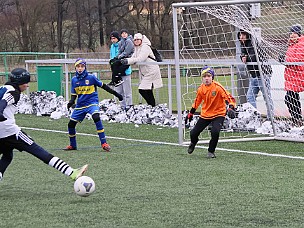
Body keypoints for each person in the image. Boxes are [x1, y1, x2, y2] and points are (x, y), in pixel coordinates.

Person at [0, 68, 88, 182]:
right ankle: (71, 172)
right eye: (26, 83)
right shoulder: (13, 93)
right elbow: (3, 102)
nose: (27, 86)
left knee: (8, 155)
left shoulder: (3, 88)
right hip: (10, 131)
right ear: (19, 83)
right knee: (37, 150)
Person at [64, 58, 123, 152]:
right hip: (80, 105)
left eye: (82, 66)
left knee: (96, 117)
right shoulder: (74, 80)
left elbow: (104, 86)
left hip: (92, 103)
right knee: (71, 124)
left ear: (85, 67)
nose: (80, 69)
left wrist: (117, 94)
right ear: (75, 68)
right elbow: (74, 95)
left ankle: (104, 143)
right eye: (78, 67)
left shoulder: (91, 77)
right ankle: (73, 145)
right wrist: (71, 102)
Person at [184, 66, 236, 158]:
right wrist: (191, 113)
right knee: (193, 133)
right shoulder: (200, 89)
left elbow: (229, 98)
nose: (206, 78)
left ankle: (211, 151)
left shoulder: (218, 87)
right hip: (205, 114)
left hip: (218, 114)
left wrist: (231, 108)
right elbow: (197, 101)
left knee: (215, 131)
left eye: (208, 76)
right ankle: (193, 142)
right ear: (202, 78)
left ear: (212, 77)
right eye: (204, 76)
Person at [238, 30, 274, 119]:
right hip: (254, 75)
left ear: (247, 35)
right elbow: (243, 54)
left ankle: (271, 118)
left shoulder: (254, 43)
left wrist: (246, 57)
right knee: (250, 96)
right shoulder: (243, 45)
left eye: (243, 34)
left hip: (263, 74)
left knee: (267, 97)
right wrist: (242, 56)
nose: (241, 36)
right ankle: (255, 117)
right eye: (240, 34)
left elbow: (254, 57)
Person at [121, 33, 163, 107]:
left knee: (142, 90)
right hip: (146, 72)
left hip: (151, 71)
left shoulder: (145, 47)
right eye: (135, 40)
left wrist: (127, 61)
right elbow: (133, 57)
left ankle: (152, 105)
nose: (136, 41)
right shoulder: (137, 48)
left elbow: (140, 59)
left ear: (141, 40)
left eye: (138, 39)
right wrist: (125, 60)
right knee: (148, 90)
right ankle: (152, 106)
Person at [283, 24, 304, 126]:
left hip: (298, 75)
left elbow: (299, 59)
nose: (291, 35)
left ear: (298, 34)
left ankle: (297, 119)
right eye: (291, 33)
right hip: (290, 76)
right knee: (291, 98)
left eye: (294, 33)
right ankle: (297, 119)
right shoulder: (290, 45)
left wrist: (285, 60)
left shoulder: (301, 44)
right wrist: (283, 59)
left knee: (290, 98)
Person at [109, 31, 133, 111]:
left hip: (125, 71)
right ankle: (122, 106)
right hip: (116, 71)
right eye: (111, 38)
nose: (113, 40)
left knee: (127, 91)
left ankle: (129, 106)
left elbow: (125, 56)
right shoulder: (112, 47)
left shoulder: (123, 44)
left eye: (114, 38)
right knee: (119, 91)